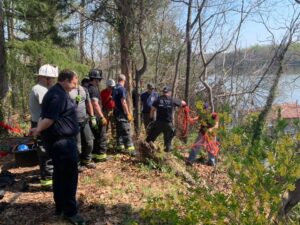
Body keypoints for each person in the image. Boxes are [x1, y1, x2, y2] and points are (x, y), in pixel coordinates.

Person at [31, 70, 86, 225]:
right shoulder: (57, 95)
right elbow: (48, 119)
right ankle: (71, 212)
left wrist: (39, 128)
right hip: (62, 143)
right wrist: (39, 129)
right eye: (74, 81)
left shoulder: (59, 93)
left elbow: (46, 116)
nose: (76, 84)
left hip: (62, 142)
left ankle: (61, 207)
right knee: (69, 177)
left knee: (60, 176)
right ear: (66, 80)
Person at [29, 64, 58, 188]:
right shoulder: (40, 89)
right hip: (41, 124)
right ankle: (47, 181)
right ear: (45, 78)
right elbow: (47, 108)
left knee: (47, 150)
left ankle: (49, 176)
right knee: (45, 151)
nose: (52, 81)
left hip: (43, 122)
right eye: (51, 78)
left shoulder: (43, 88)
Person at [146, 86, 186, 152]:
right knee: (168, 144)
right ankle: (166, 158)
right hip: (168, 124)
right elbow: (184, 103)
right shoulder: (173, 99)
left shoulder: (158, 100)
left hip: (158, 123)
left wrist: (151, 119)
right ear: (170, 92)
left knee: (149, 140)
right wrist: (183, 105)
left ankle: (147, 153)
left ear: (163, 92)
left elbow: (152, 110)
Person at [69, 84, 96, 169]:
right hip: (73, 122)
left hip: (85, 121)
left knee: (89, 142)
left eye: (76, 78)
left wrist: (92, 117)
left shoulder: (84, 89)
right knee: (77, 145)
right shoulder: (67, 90)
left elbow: (88, 104)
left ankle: (87, 160)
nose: (74, 80)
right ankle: (77, 164)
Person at [87, 69, 108, 162]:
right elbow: (95, 104)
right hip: (96, 116)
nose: (99, 82)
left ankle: (95, 155)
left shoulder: (87, 88)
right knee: (101, 136)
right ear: (95, 79)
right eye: (99, 80)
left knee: (95, 136)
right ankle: (101, 156)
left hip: (91, 117)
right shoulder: (93, 89)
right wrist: (102, 117)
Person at [112, 74, 135, 155]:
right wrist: (128, 113)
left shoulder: (114, 89)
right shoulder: (122, 89)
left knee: (119, 131)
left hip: (116, 112)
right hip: (122, 113)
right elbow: (123, 102)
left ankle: (119, 147)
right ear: (124, 80)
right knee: (126, 130)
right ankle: (130, 150)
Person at [100, 79, 116, 149]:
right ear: (107, 86)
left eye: (112, 87)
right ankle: (105, 141)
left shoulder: (114, 91)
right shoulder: (103, 92)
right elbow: (100, 102)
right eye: (110, 86)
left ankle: (114, 141)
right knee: (105, 125)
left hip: (113, 110)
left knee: (114, 125)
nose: (111, 88)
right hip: (106, 110)